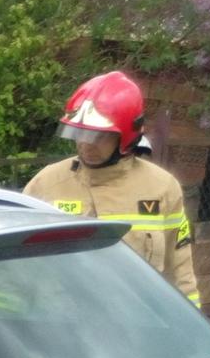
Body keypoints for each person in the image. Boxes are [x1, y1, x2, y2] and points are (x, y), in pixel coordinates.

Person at [23, 71, 198, 307]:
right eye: (79, 133)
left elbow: (180, 274)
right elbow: (15, 271)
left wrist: (192, 336)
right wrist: (1, 325)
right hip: (60, 328)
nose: (85, 143)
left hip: (134, 328)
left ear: (126, 137)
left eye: (97, 136)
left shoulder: (162, 188)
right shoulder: (45, 184)